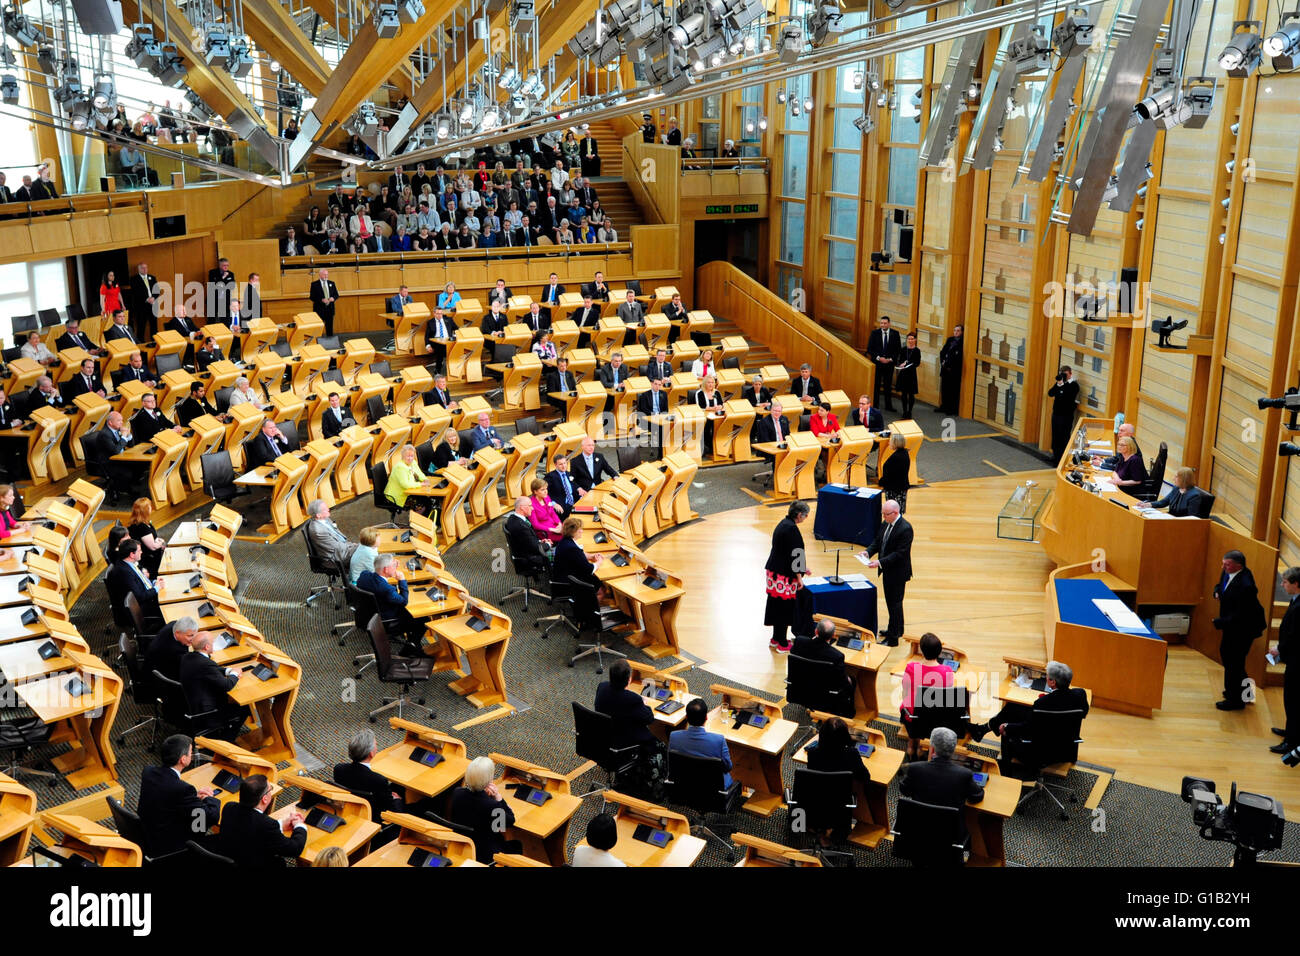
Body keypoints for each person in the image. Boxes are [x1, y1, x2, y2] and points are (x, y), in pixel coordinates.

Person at [137, 734, 221, 858]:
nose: (191, 756)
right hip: (170, 845)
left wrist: (194, 798)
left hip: (149, 833)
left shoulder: (148, 772)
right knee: (205, 828)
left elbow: (166, 794)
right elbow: (210, 817)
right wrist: (209, 798)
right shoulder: (183, 789)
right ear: (183, 759)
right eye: (190, 752)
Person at [898, 726, 984, 844]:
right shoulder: (964, 775)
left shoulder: (914, 768)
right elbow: (977, 796)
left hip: (917, 831)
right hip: (949, 836)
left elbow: (904, 790)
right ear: (953, 750)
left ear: (932, 748)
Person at [971, 659, 1090, 743]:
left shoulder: (1042, 704)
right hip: (1065, 738)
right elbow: (1082, 713)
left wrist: (1007, 727)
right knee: (1014, 707)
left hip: (1040, 741)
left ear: (1052, 682)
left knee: (1011, 711)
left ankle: (986, 729)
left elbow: (1027, 727)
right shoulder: (1080, 694)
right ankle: (983, 729)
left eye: (1047, 676)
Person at [1213, 549, 1267, 711]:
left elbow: (1242, 615)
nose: (1223, 567)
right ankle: (1245, 693)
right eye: (1223, 563)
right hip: (1233, 626)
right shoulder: (1229, 572)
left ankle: (1235, 700)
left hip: (1243, 629)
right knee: (1234, 660)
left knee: (1232, 661)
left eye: (1227, 564)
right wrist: (1216, 590)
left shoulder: (1246, 585)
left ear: (1238, 565)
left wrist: (1220, 622)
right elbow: (1221, 584)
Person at [216, 774, 307, 867]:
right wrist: (299, 826)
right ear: (265, 799)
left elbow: (250, 828)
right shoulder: (266, 825)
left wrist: (281, 824)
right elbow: (294, 849)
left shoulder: (229, 807)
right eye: (270, 789)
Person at [448, 756, 521, 865]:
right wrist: (498, 798)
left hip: (462, 846)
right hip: (486, 854)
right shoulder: (491, 805)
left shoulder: (457, 792)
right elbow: (508, 822)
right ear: (489, 780)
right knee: (517, 844)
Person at [179, 632, 247, 740]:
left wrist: (228, 671)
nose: (214, 643)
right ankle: (226, 740)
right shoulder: (205, 664)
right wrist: (235, 674)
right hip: (208, 712)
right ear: (207, 647)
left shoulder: (188, 657)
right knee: (244, 707)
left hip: (194, 705)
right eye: (212, 642)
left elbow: (211, 669)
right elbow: (227, 685)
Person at [863, 498, 912, 645]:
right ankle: (897, 629)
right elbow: (878, 542)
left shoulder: (905, 528)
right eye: (883, 514)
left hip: (897, 572)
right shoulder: (887, 523)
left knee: (895, 603)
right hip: (888, 570)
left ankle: (893, 638)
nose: (883, 517)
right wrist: (868, 552)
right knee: (892, 602)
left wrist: (880, 562)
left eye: (886, 514)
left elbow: (899, 553)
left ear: (895, 512)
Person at [899, 632, 956, 758]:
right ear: (939, 652)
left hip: (911, 718)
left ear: (922, 650)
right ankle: (921, 748)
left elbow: (905, 691)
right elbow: (947, 697)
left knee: (908, 706)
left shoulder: (911, 667)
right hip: (933, 719)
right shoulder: (947, 671)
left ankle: (911, 744)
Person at [333, 730, 406, 822]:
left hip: (350, 809)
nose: (377, 746)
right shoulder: (378, 780)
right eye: (376, 744)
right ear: (371, 753)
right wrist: (396, 799)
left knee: (395, 787)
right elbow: (393, 810)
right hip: (376, 818)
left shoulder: (339, 769)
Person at [765, 500, 810, 653]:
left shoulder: (783, 524)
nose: (805, 518)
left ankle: (775, 638)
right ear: (799, 515)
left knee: (776, 606)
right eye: (805, 515)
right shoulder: (792, 530)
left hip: (774, 572)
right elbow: (796, 554)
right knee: (785, 609)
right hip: (784, 576)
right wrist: (799, 578)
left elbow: (786, 552)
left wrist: (804, 568)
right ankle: (783, 644)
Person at [791, 619, 855, 716]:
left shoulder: (799, 642)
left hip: (801, 690)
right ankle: (847, 713)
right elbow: (842, 682)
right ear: (833, 636)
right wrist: (849, 680)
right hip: (824, 696)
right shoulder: (836, 656)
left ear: (816, 631)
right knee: (852, 680)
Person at [595, 659, 658, 755]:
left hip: (605, 737)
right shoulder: (633, 699)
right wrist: (643, 703)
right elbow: (649, 719)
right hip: (625, 742)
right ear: (629, 680)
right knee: (654, 741)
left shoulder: (602, 687)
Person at [668, 697, 733, 786]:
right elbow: (728, 767)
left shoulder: (674, 736)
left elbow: (672, 764)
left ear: (686, 717)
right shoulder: (719, 740)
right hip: (713, 789)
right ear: (706, 717)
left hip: (684, 785)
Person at [357, 552, 420, 641]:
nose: (396, 567)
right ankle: (409, 650)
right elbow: (404, 601)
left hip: (365, 615)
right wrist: (402, 580)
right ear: (386, 570)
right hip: (386, 620)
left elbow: (377, 581)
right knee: (422, 620)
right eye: (394, 566)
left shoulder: (364, 575)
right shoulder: (387, 590)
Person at [1272, 567, 1300, 755]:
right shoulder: (1296, 601)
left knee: (1294, 701)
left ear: (1296, 584)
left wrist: (1279, 649)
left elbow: (1295, 636)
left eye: (1285, 582)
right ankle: (1291, 731)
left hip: (1298, 663)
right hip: (1294, 659)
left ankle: (1291, 742)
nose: (1282, 586)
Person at [144, 615, 197, 687]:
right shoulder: (175, 651)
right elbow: (190, 665)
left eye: (194, 635)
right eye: (190, 635)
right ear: (177, 633)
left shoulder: (174, 624)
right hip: (162, 676)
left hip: (155, 662)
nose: (193, 639)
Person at [305, 499, 356, 569]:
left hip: (343, 548)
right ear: (318, 515)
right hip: (335, 557)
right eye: (325, 509)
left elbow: (337, 534)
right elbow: (336, 547)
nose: (328, 509)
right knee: (367, 552)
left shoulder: (326, 519)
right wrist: (353, 546)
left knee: (369, 549)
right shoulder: (318, 531)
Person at [505, 497, 548, 578]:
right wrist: (548, 544)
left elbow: (527, 540)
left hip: (524, 551)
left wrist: (539, 541)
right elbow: (535, 548)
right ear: (522, 508)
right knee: (560, 556)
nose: (532, 508)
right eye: (530, 506)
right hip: (529, 558)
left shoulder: (512, 518)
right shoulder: (521, 527)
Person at [385, 443, 433, 516]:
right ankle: (417, 523)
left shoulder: (413, 462)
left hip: (408, 492)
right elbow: (405, 485)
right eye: (408, 456)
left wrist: (425, 479)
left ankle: (422, 521)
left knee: (428, 501)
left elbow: (419, 473)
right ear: (403, 456)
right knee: (425, 505)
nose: (410, 458)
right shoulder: (400, 467)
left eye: (412, 456)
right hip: (397, 497)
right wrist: (421, 484)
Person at [1047, 365, 1080, 463]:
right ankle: (1055, 456)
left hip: (1066, 415)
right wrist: (1058, 385)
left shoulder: (1074, 385)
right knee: (1055, 435)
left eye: (1065, 374)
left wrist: (1061, 387)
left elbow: (1067, 397)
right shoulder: (1060, 384)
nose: (1063, 377)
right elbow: (1050, 393)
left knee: (1064, 436)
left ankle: (1062, 459)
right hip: (1056, 413)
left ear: (1070, 373)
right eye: (1062, 374)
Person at [867, 316, 899, 411]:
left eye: (885, 323)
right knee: (876, 385)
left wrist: (890, 359)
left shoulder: (895, 334)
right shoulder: (874, 333)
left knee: (887, 385)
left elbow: (897, 349)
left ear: (889, 324)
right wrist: (878, 358)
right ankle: (875, 405)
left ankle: (888, 406)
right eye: (881, 323)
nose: (883, 325)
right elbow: (870, 349)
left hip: (889, 364)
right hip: (877, 363)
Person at [128, 497, 165, 578]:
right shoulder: (141, 527)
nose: (151, 508)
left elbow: (153, 538)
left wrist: (158, 541)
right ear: (145, 510)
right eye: (149, 506)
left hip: (151, 556)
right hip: (148, 561)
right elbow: (153, 547)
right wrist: (161, 542)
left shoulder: (144, 522)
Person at [879, 432, 911, 513]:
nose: (889, 442)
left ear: (895, 443)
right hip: (900, 487)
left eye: (890, 441)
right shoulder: (904, 453)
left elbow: (890, 474)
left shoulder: (896, 457)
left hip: (895, 489)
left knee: (893, 512)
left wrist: (881, 482)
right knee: (897, 511)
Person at [528, 478, 563, 543]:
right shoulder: (531, 504)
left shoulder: (546, 497)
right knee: (567, 538)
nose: (546, 491)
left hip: (554, 525)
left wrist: (559, 523)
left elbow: (553, 513)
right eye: (542, 490)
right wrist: (553, 530)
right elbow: (535, 525)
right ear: (535, 491)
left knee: (572, 531)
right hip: (545, 531)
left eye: (546, 488)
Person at [895, 331, 921, 418]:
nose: (910, 340)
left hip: (911, 374)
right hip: (903, 374)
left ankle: (909, 411)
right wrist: (901, 364)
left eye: (912, 339)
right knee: (904, 393)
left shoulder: (917, 351)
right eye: (909, 339)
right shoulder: (903, 349)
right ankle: (904, 411)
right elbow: (899, 360)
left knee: (911, 394)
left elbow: (917, 363)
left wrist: (908, 363)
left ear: (915, 340)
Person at [938, 324, 963, 414]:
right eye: (955, 330)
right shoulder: (950, 340)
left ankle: (951, 409)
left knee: (953, 390)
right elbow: (943, 352)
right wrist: (943, 362)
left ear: (961, 332)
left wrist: (949, 365)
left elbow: (958, 357)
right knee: (944, 388)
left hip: (953, 370)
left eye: (958, 331)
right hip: (945, 368)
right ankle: (944, 406)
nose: (956, 332)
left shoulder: (962, 342)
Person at [310, 268, 339, 336]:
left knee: (329, 329)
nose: (326, 276)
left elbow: (336, 295)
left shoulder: (332, 283)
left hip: (330, 310)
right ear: (320, 275)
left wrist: (333, 298)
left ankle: (330, 343)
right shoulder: (314, 284)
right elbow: (312, 297)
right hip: (319, 310)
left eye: (327, 274)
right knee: (318, 329)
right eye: (324, 274)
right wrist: (321, 300)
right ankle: (317, 343)